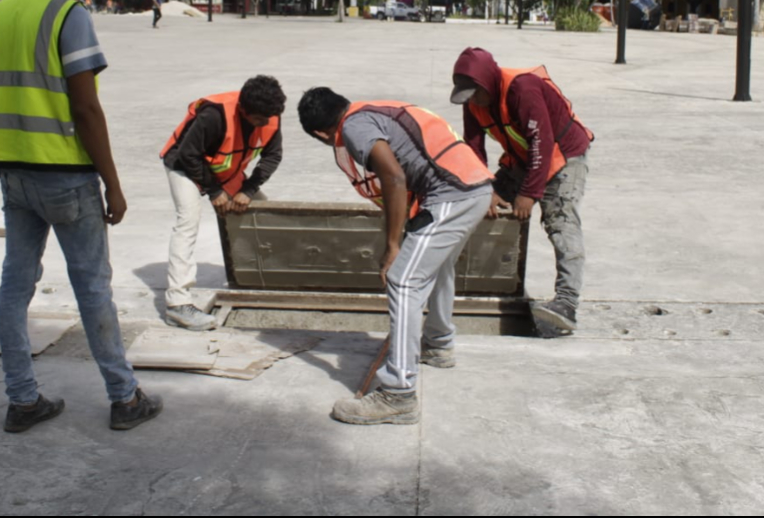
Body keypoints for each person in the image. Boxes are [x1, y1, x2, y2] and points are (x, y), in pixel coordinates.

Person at [0, 0, 161, 434]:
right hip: (65, 174)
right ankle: (124, 399)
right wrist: (113, 184)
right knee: (92, 288)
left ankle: (22, 399)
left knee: (15, 286)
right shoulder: (69, 14)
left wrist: (8, 150)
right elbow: (86, 106)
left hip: (11, 171)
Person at [297, 87, 493, 426]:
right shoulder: (375, 109)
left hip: (451, 195)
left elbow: (393, 176)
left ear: (321, 133)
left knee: (403, 279)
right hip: (472, 188)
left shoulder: (353, 128)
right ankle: (439, 345)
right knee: (437, 265)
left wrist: (392, 247)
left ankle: (397, 394)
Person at [450, 46, 593, 337]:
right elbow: (474, 148)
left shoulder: (522, 88)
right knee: (476, 205)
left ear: (488, 82)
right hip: (523, 157)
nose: (474, 101)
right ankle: (485, 281)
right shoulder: (473, 100)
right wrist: (484, 188)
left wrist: (529, 193)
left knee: (560, 222)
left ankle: (566, 303)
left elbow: (542, 141)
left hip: (563, 155)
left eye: (477, 94)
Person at [160, 76, 286, 330]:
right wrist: (214, 191)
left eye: (270, 117)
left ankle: (263, 277)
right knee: (187, 221)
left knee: (262, 214)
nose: (266, 123)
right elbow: (188, 154)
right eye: (260, 119)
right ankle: (178, 304)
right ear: (244, 110)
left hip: (223, 169)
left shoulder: (270, 114)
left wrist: (248, 190)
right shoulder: (215, 115)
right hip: (185, 167)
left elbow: (273, 156)